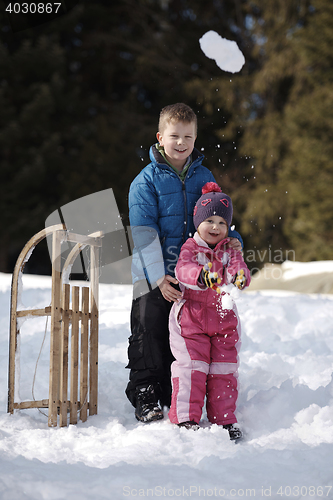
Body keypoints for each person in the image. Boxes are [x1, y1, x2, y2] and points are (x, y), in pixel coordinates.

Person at [125, 103, 243, 423]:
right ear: (160, 137)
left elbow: (217, 214)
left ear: (195, 138)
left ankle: (174, 388)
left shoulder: (203, 176)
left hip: (194, 274)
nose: (181, 142)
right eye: (174, 135)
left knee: (182, 334)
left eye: (188, 136)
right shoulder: (145, 181)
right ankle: (146, 391)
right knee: (149, 329)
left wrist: (233, 240)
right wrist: (159, 276)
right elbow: (144, 232)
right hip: (152, 273)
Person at [168, 182, 251, 440]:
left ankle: (224, 420)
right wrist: (201, 276)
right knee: (192, 368)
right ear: (198, 222)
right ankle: (186, 418)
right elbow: (182, 269)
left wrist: (239, 277)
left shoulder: (230, 250)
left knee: (223, 370)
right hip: (191, 318)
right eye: (210, 221)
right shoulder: (190, 247)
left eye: (222, 223)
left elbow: (240, 268)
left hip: (224, 319)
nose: (215, 227)